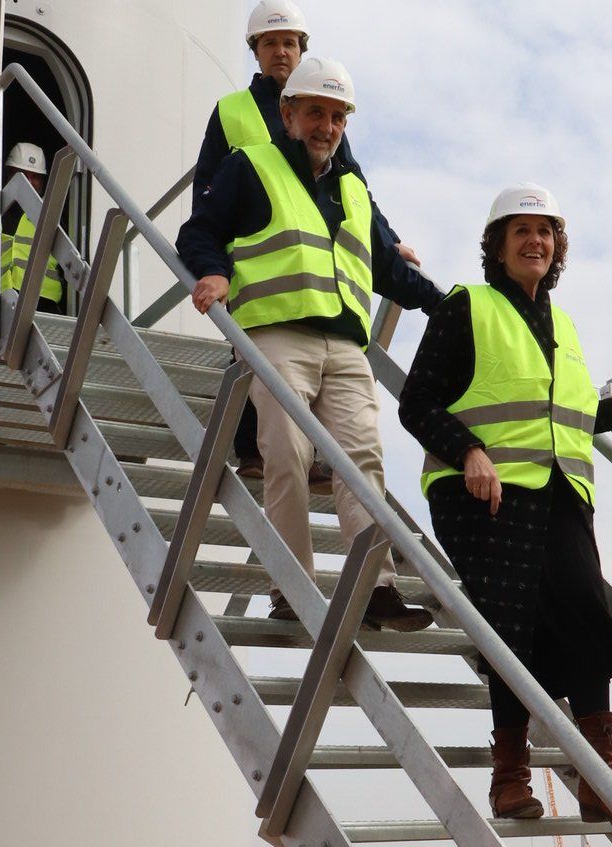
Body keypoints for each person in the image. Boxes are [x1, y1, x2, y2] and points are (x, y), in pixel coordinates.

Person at [398, 183, 612, 819]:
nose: (535, 242)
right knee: (509, 622)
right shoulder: (467, 306)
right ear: (496, 246)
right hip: (480, 494)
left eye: (545, 232)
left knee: (582, 607)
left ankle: (597, 770)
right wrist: (468, 452)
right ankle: (510, 773)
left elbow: (561, 410)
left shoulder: (565, 326)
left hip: (558, 492)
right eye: (520, 230)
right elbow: (417, 402)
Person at [177, 53, 442, 634]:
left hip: (346, 347)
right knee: (288, 459)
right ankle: (291, 586)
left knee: (363, 461)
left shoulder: (352, 188)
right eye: (316, 113)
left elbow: (386, 270)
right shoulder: (252, 165)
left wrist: (444, 304)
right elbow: (199, 230)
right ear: (289, 114)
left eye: (338, 117)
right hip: (277, 336)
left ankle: (376, 590)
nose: (327, 127)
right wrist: (213, 270)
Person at [191, 0, 419, 485]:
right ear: (255, 50)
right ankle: (252, 452)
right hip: (250, 253)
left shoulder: (326, 109)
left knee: (310, 368)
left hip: (311, 263)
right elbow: (208, 188)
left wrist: (389, 241)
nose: (281, 52)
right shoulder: (232, 111)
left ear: (301, 49)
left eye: (289, 43)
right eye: (270, 42)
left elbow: (354, 187)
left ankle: (311, 453)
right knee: (256, 359)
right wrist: (215, 263)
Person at [0, 142, 64, 309]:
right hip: (3, 299)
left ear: (42, 182)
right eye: (23, 175)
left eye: (35, 177)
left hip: (44, 302)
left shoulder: (52, 216)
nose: (29, 182)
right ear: (9, 174)